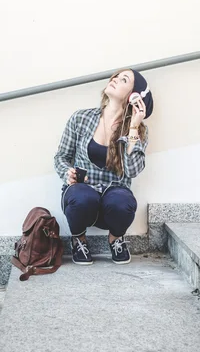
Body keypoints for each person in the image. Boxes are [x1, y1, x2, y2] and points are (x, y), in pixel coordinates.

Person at [54, 69, 154, 266]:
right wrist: (67, 172)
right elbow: (61, 157)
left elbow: (133, 170)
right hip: (83, 195)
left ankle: (116, 238)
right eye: (116, 76)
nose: (115, 79)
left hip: (113, 197)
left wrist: (134, 126)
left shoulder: (138, 130)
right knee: (80, 197)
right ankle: (79, 239)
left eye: (124, 79)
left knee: (123, 202)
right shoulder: (81, 118)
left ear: (134, 96)